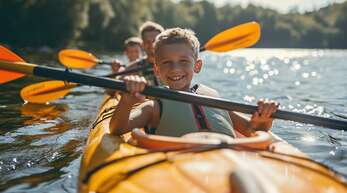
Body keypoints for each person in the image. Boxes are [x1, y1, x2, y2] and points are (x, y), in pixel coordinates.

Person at [109, 28, 279, 137]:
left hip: (226, 159)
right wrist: (126, 101)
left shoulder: (215, 101)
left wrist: (264, 117)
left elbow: (252, 129)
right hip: (180, 168)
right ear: (156, 69)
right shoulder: (153, 107)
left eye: (183, 61)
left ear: (197, 65)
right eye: (167, 62)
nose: (175, 69)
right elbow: (117, 130)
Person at [112, 21, 164, 86]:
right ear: (142, 45)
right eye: (147, 42)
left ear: (162, 43)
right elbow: (111, 91)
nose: (151, 46)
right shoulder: (133, 68)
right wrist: (116, 73)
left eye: (154, 41)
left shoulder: (172, 64)